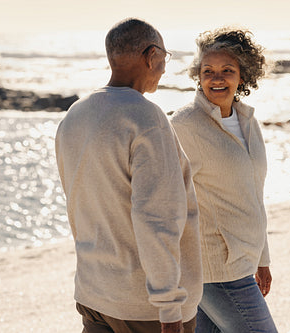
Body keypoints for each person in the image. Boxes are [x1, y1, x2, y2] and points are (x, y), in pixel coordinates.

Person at [55, 18, 202, 333]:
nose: (164, 68)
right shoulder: (147, 118)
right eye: (164, 58)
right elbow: (158, 218)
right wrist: (169, 307)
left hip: (94, 293)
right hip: (143, 307)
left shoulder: (76, 114)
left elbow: (75, 202)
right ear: (151, 56)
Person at [170, 27, 277, 332]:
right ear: (198, 75)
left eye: (227, 70)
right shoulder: (183, 125)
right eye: (208, 71)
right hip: (214, 268)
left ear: (242, 76)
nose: (216, 78)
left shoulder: (248, 121)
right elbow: (165, 197)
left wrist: (262, 258)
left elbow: (254, 195)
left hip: (243, 261)